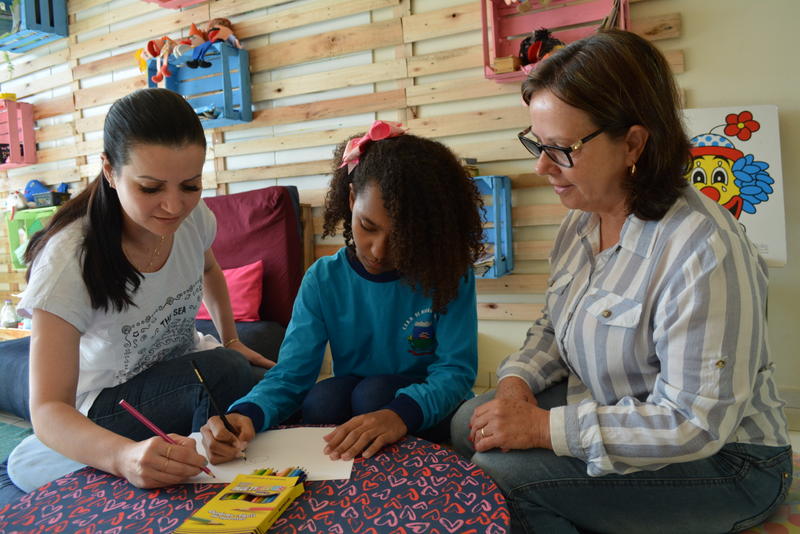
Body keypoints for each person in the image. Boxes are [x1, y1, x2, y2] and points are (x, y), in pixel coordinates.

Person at [451, 29, 792, 534]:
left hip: (729, 462)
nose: (542, 166)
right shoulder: (580, 222)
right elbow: (552, 327)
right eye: (537, 144)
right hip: (621, 412)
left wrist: (544, 428)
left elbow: (694, 424)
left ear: (633, 142)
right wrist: (515, 384)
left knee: (504, 472)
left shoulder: (702, 249)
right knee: (468, 424)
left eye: (561, 148)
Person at [0, 88, 272, 505]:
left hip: (172, 370)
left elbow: (211, 269)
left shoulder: (193, 218)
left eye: (190, 185)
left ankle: (203, 450)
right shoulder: (69, 261)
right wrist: (124, 457)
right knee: (225, 372)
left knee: (254, 368)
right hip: (102, 405)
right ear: (109, 170)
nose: (173, 205)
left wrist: (232, 336)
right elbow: (49, 410)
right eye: (149, 188)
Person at [201, 121, 484, 463]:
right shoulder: (323, 279)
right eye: (368, 226)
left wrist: (398, 414)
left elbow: (455, 373)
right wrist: (245, 414)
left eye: (401, 239)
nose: (378, 251)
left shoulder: (448, 274)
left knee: (372, 395)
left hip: (427, 405)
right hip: (362, 397)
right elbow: (292, 374)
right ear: (351, 200)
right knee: (323, 400)